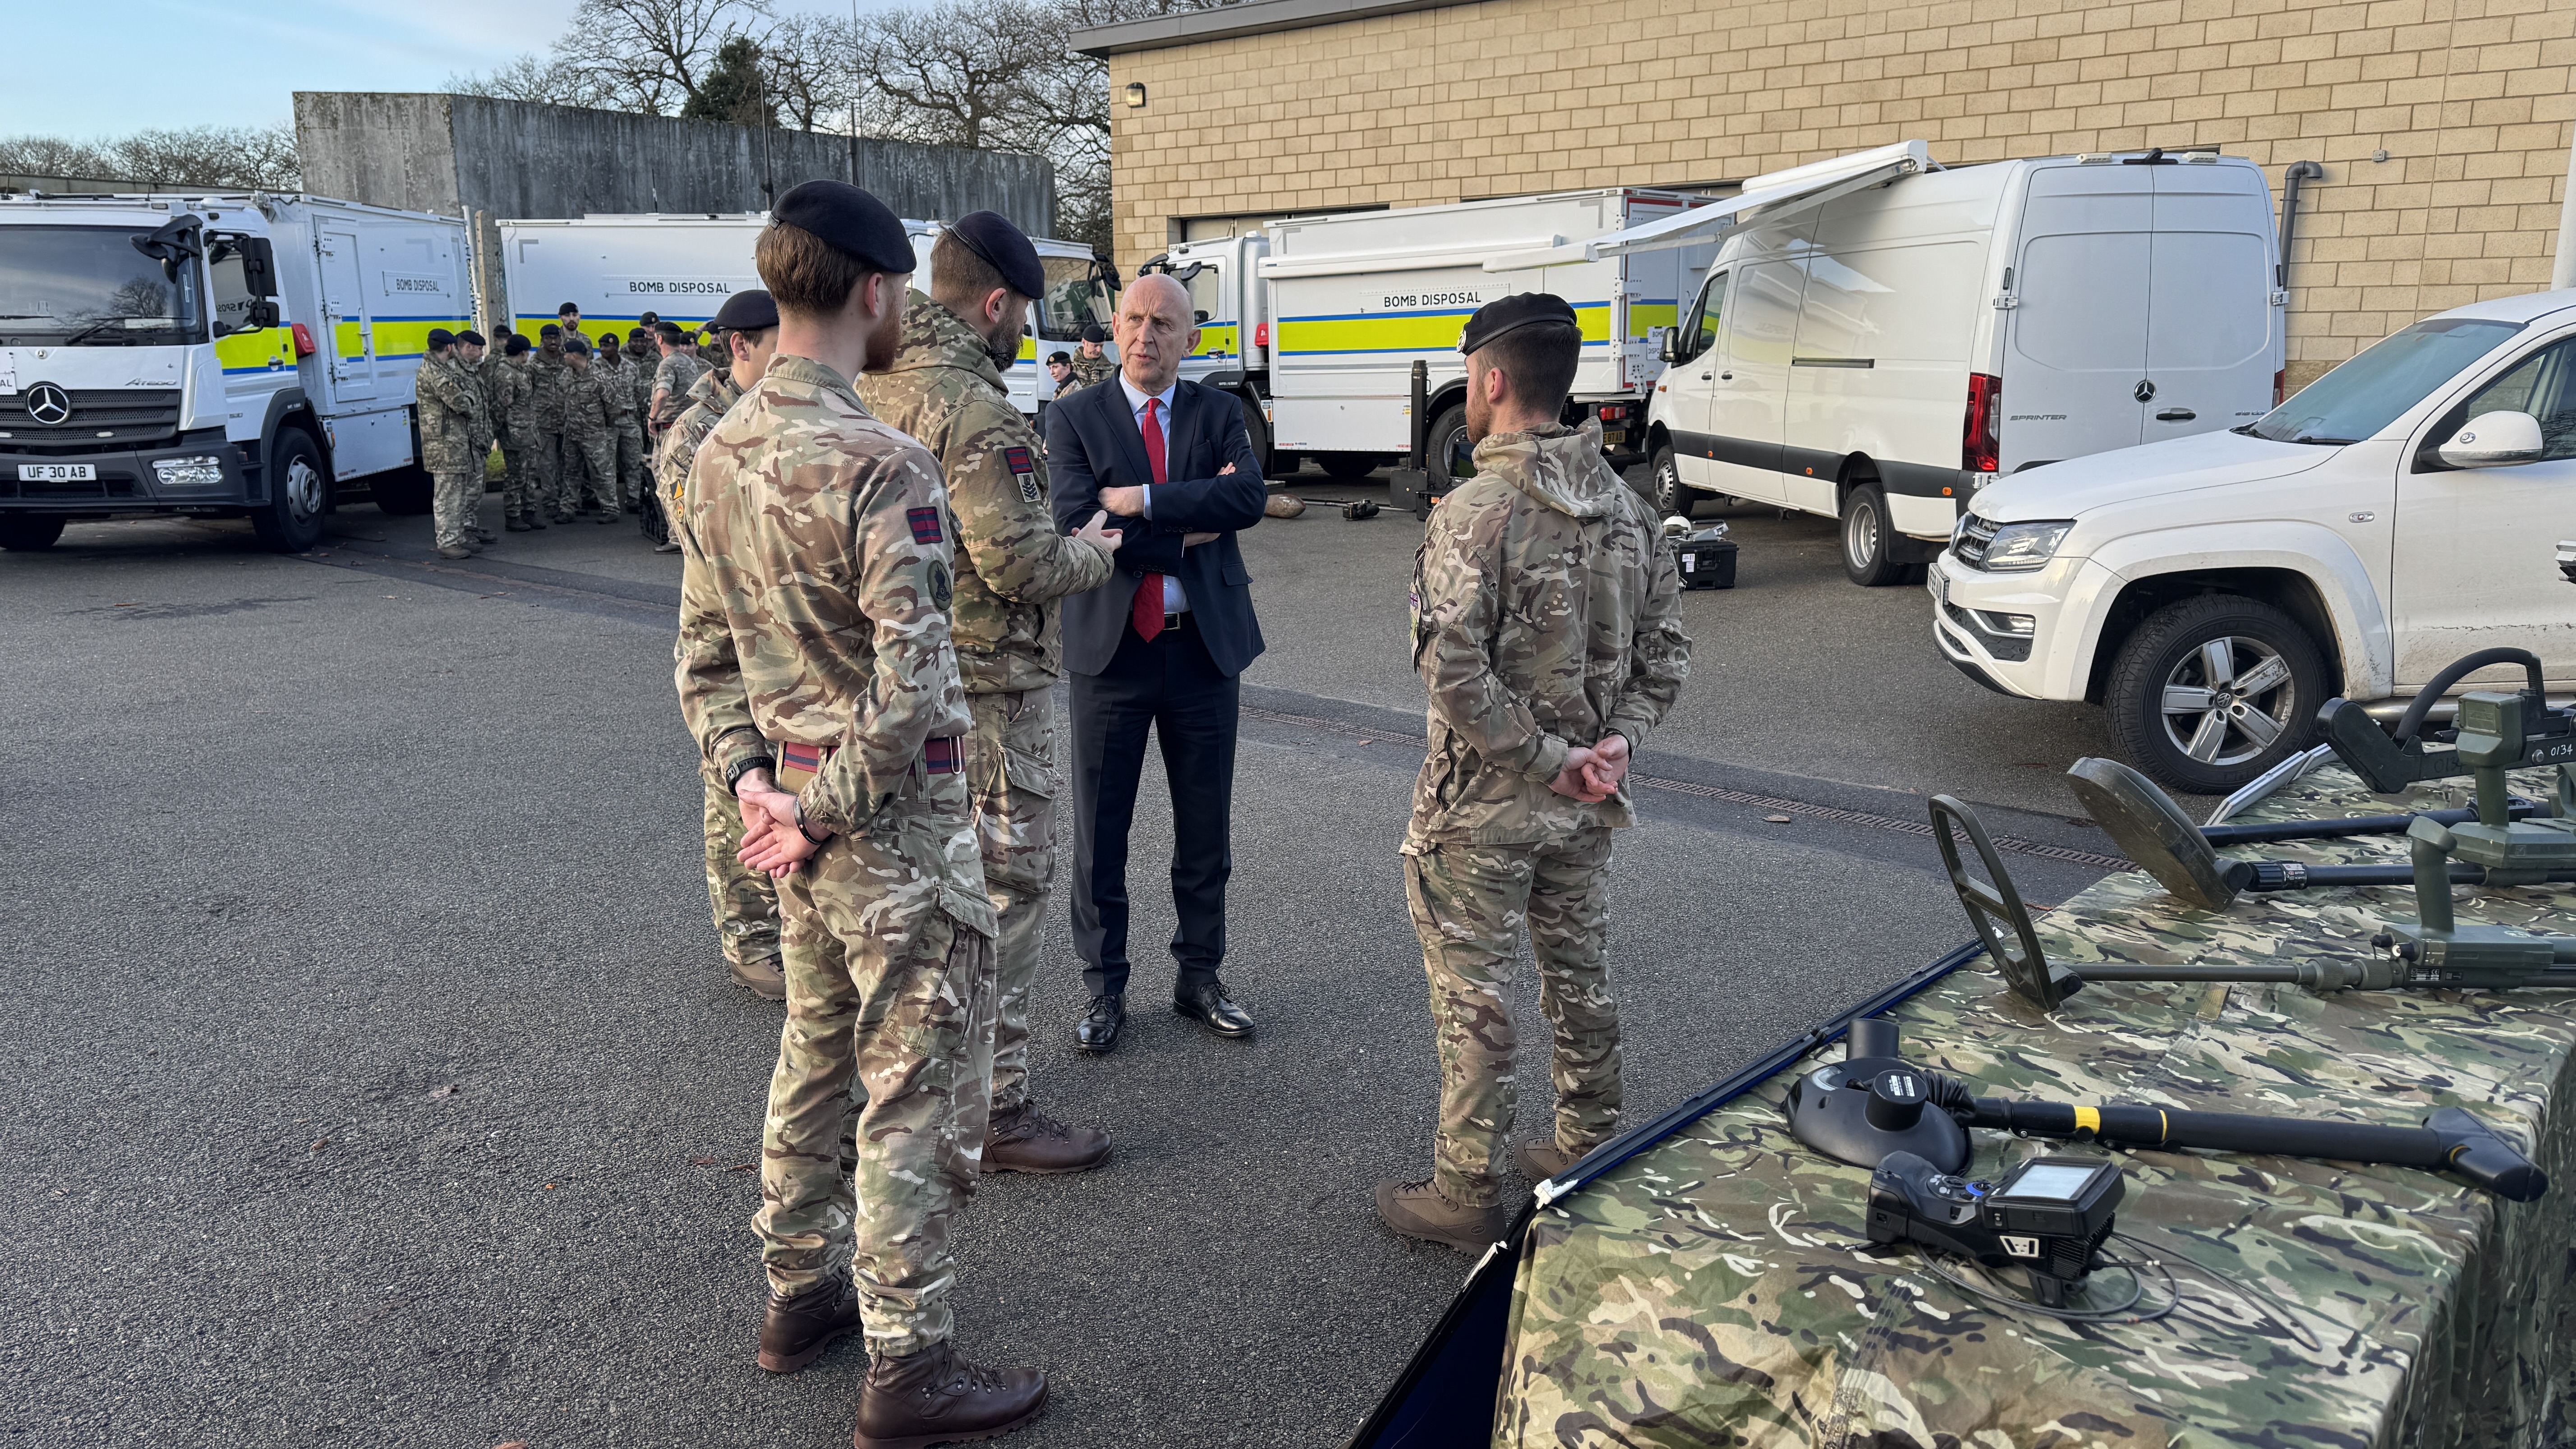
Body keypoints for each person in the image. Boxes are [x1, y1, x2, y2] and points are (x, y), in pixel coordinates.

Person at [676, 180, 1044, 1446]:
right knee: (915, 1094)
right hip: (885, 839)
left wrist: (755, 792)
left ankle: (798, 1299)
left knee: (814, 1052)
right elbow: (917, 681)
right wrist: (821, 808)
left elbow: (704, 662)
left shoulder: (716, 452)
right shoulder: (886, 463)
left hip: (792, 827)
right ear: (877, 293)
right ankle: (910, 1364)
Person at [1374, 294, 1693, 1254]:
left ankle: (1466, 1188)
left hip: (1483, 812)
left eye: (1471, 377)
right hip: (1588, 803)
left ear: (1493, 381)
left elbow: (1452, 668)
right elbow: (1665, 651)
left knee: (1476, 991)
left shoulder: (1476, 514)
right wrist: (1616, 747)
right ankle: (1588, 1142)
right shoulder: (1634, 514)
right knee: (1579, 970)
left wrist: (1554, 762)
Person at [858, 213, 1124, 1173]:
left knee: (916, 901)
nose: (1025, 336)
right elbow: (1017, 564)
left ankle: (912, 1090)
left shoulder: (866, 384)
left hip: (893, 694)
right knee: (1006, 895)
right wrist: (1096, 550)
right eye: (1024, 315)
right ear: (998, 302)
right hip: (988, 696)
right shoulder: (968, 405)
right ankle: (998, 1108)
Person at [1044, 272, 1268, 1053]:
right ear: (1113, 327)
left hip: (1205, 648)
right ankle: (1104, 988)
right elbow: (1077, 520)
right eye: (1135, 320)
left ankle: (1199, 976)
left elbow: (1248, 500)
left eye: (1164, 324)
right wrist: (1184, 522)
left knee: (1205, 827)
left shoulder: (1218, 411)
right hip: (1112, 652)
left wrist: (1140, 499)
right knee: (1100, 830)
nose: (1147, 335)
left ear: (1191, 338)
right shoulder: (1072, 415)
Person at [666, 291, 789, 1000]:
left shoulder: (773, 413)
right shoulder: (697, 432)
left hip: (784, 633)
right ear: (741, 344)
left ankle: (783, 922)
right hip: (732, 632)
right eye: (779, 339)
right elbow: (704, 547)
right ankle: (747, 941)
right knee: (732, 787)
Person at [414, 328, 489, 561]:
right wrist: (470, 398)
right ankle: (447, 542)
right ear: (450, 348)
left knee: (458, 494)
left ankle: (459, 538)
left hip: (454, 443)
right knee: (447, 495)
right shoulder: (435, 373)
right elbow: (461, 403)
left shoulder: (441, 369)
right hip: (444, 445)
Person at [558, 336, 623, 525]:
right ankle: (567, 508)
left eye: (566, 354)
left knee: (602, 473)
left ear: (575, 355)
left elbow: (613, 406)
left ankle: (610, 508)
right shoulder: (567, 375)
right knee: (570, 472)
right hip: (572, 434)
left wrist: (604, 427)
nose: (564, 358)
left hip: (594, 435)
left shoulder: (599, 377)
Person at [531, 324, 575, 524]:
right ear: (542, 340)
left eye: (556, 338)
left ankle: (568, 503)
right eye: (548, 338)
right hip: (545, 421)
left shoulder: (566, 360)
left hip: (566, 420)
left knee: (568, 464)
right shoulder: (534, 364)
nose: (553, 342)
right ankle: (550, 503)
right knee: (547, 465)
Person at [653, 322, 710, 435]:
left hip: (669, 426)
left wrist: (652, 418)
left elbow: (662, 395)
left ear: (660, 339)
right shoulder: (690, 363)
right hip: (691, 424)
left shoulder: (667, 364)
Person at [1067, 324, 1114, 392]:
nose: (1099, 350)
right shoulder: (1070, 368)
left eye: (1101, 346)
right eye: (1095, 346)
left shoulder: (1111, 370)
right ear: (1084, 343)